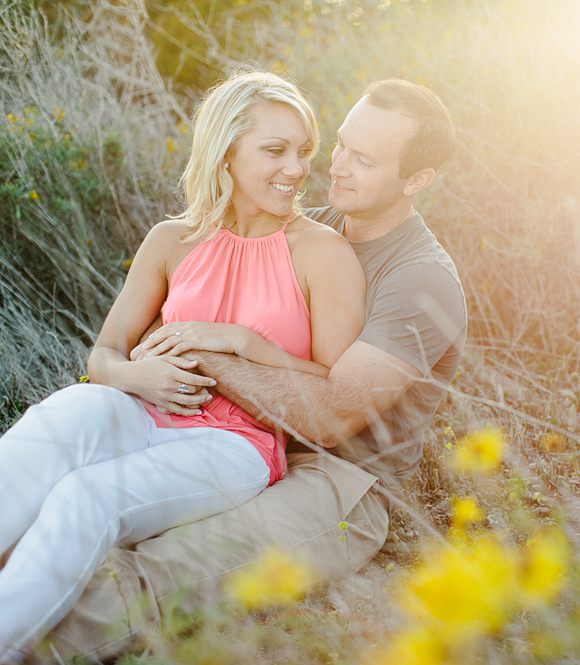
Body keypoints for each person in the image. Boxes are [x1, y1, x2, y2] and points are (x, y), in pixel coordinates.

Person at [38, 79, 467, 661]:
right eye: (339, 144)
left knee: (166, 565)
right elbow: (140, 334)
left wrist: (209, 350)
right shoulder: (296, 226)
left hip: (337, 481)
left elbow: (334, 415)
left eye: (363, 160)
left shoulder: (421, 279)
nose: (334, 167)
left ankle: (30, 647)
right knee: (57, 492)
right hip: (233, 437)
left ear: (417, 180)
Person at [0, 72, 365, 661]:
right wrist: (131, 376)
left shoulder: (323, 252)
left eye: (304, 151)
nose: (296, 169)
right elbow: (104, 354)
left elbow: (335, 385)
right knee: (59, 418)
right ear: (225, 151)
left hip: (237, 445)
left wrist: (238, 341)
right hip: (144, 408)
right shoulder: (173, 239)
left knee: (87, 496)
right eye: (275, 151)